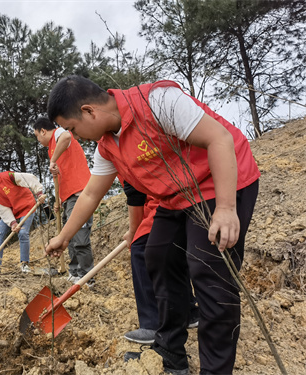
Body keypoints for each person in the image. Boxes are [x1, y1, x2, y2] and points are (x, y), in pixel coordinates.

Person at [44, 75, 260, 375]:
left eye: (72, 129)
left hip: (219, 182)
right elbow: (92, 192)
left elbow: (219, 139)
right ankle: (170, 353)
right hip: (174, 197)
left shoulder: (158, 102)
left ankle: (215, 370)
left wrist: (225, 209)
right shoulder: (107, 146)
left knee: (208, 270)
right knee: (157, 255)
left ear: (89, 111)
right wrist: (63, 236)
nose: (75, 137)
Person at [121, 181, 199, 346]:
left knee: (140, 249)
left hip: (164, 202)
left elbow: (135, 195)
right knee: (172, 252)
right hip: (168, 198)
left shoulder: (116, 157)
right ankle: (190, 311)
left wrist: (133, 232)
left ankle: (153, 324)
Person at [33, 117, 95, 285]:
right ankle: (75, 272)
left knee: (80, 237)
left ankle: (87, 277)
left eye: (37, 136)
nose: (38, 140)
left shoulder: (59, 135)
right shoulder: (53, 149)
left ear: (43, 131)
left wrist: (52, 161)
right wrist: (58, 200)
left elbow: (67, 137)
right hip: (67, 197)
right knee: (70, 237)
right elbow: (60, 176)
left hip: (79, 193)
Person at [0, 168, 45, 273]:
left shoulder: (8, 176)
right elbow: (3, 209)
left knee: (23, 232)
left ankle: (25, 264)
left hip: (27, 207)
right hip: (12, 212)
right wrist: (12, 223)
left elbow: (29, 178)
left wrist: (39, 193)